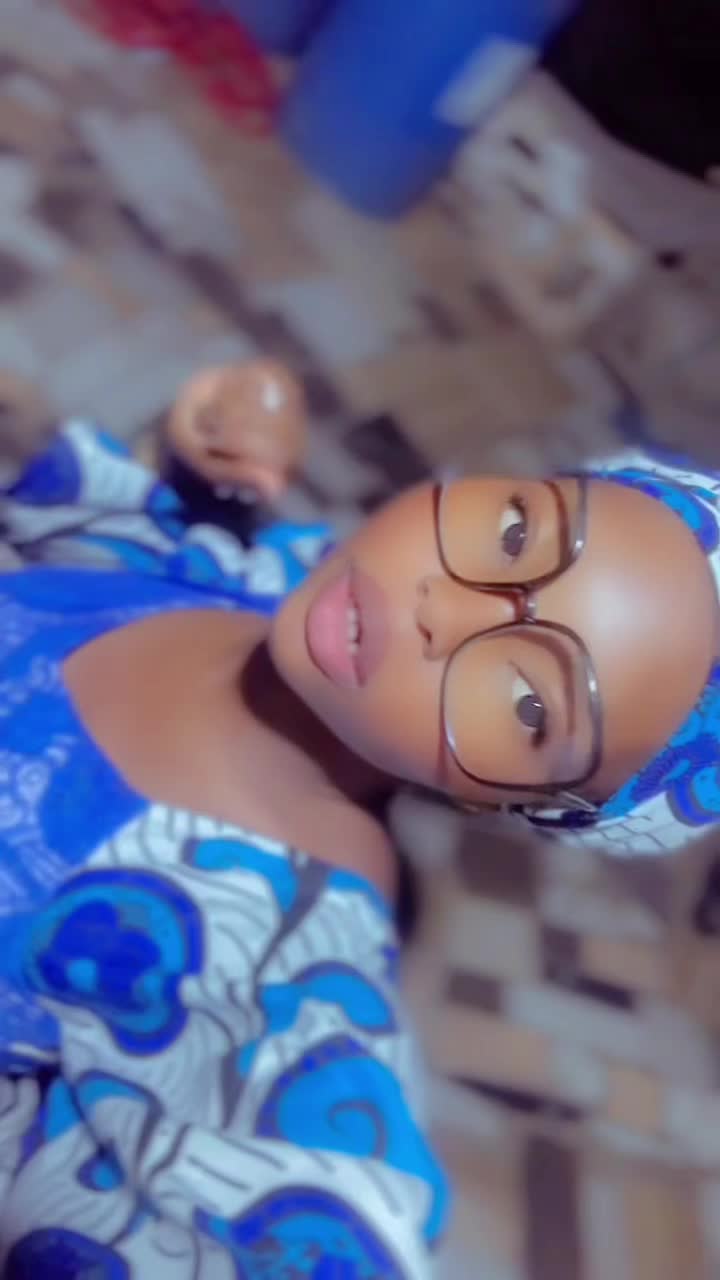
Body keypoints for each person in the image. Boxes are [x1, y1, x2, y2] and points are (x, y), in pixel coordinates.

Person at [0, 412, 719, 1277]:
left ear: (506, 803)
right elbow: (104, 522)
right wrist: (202, 461)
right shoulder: (263, 585)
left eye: (529, 704)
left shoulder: (263, 960)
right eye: (515, 532)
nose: (444, 609)